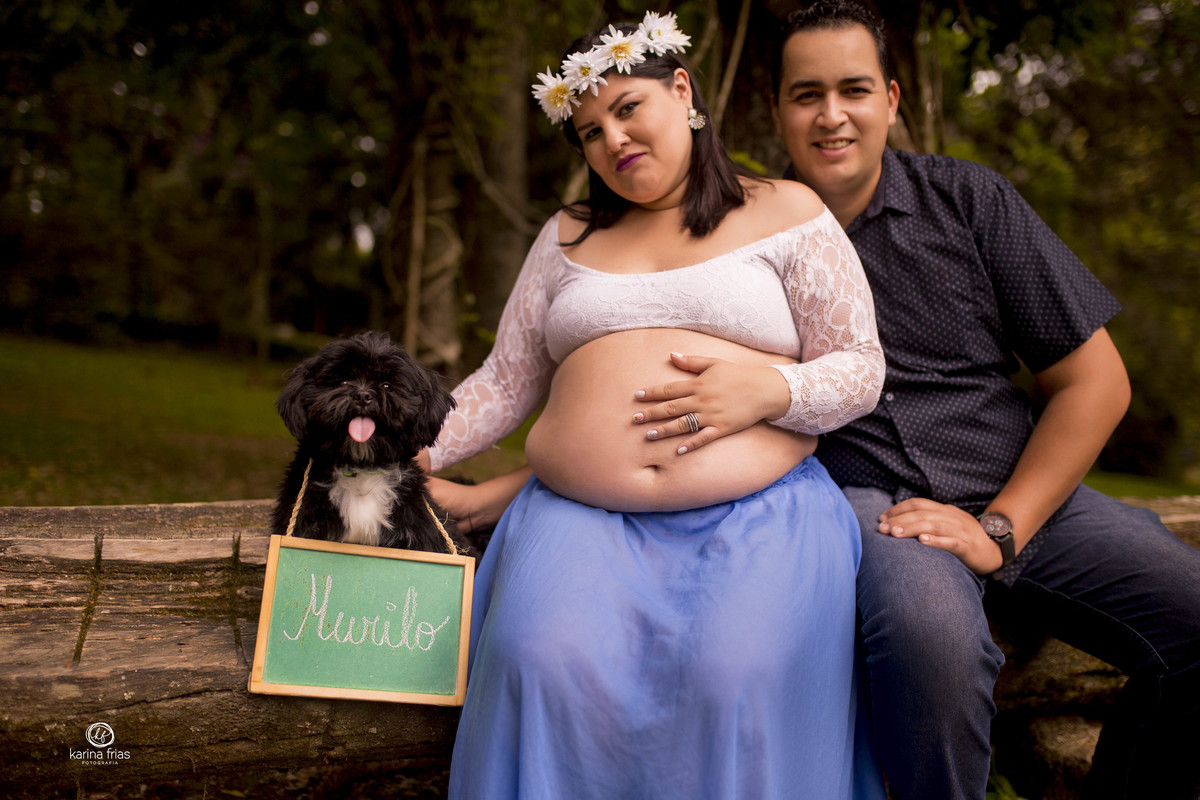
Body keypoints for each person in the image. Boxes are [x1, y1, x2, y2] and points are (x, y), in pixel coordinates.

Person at [420, 12, 887, 799]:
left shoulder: (786, 210)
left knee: (732, 676)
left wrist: (771, 390)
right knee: (536, 659)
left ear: (681, 91)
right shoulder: (567, 234)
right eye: (590, 131)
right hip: (577, 516)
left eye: (626, 108)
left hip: (758, 512)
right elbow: (504, 381)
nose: (612, 139)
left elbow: (861, 368)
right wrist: (409, 451)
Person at [767, 2, 1200, 799]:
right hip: (873, 501)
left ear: (891, 100)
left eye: (854, 90)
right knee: (931, 641)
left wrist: (1000, 528)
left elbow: (1095, 381)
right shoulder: (747, 239)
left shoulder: (970, 201)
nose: (832, 116)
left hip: (1022, 487)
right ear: (778, 110)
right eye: (807, 94)